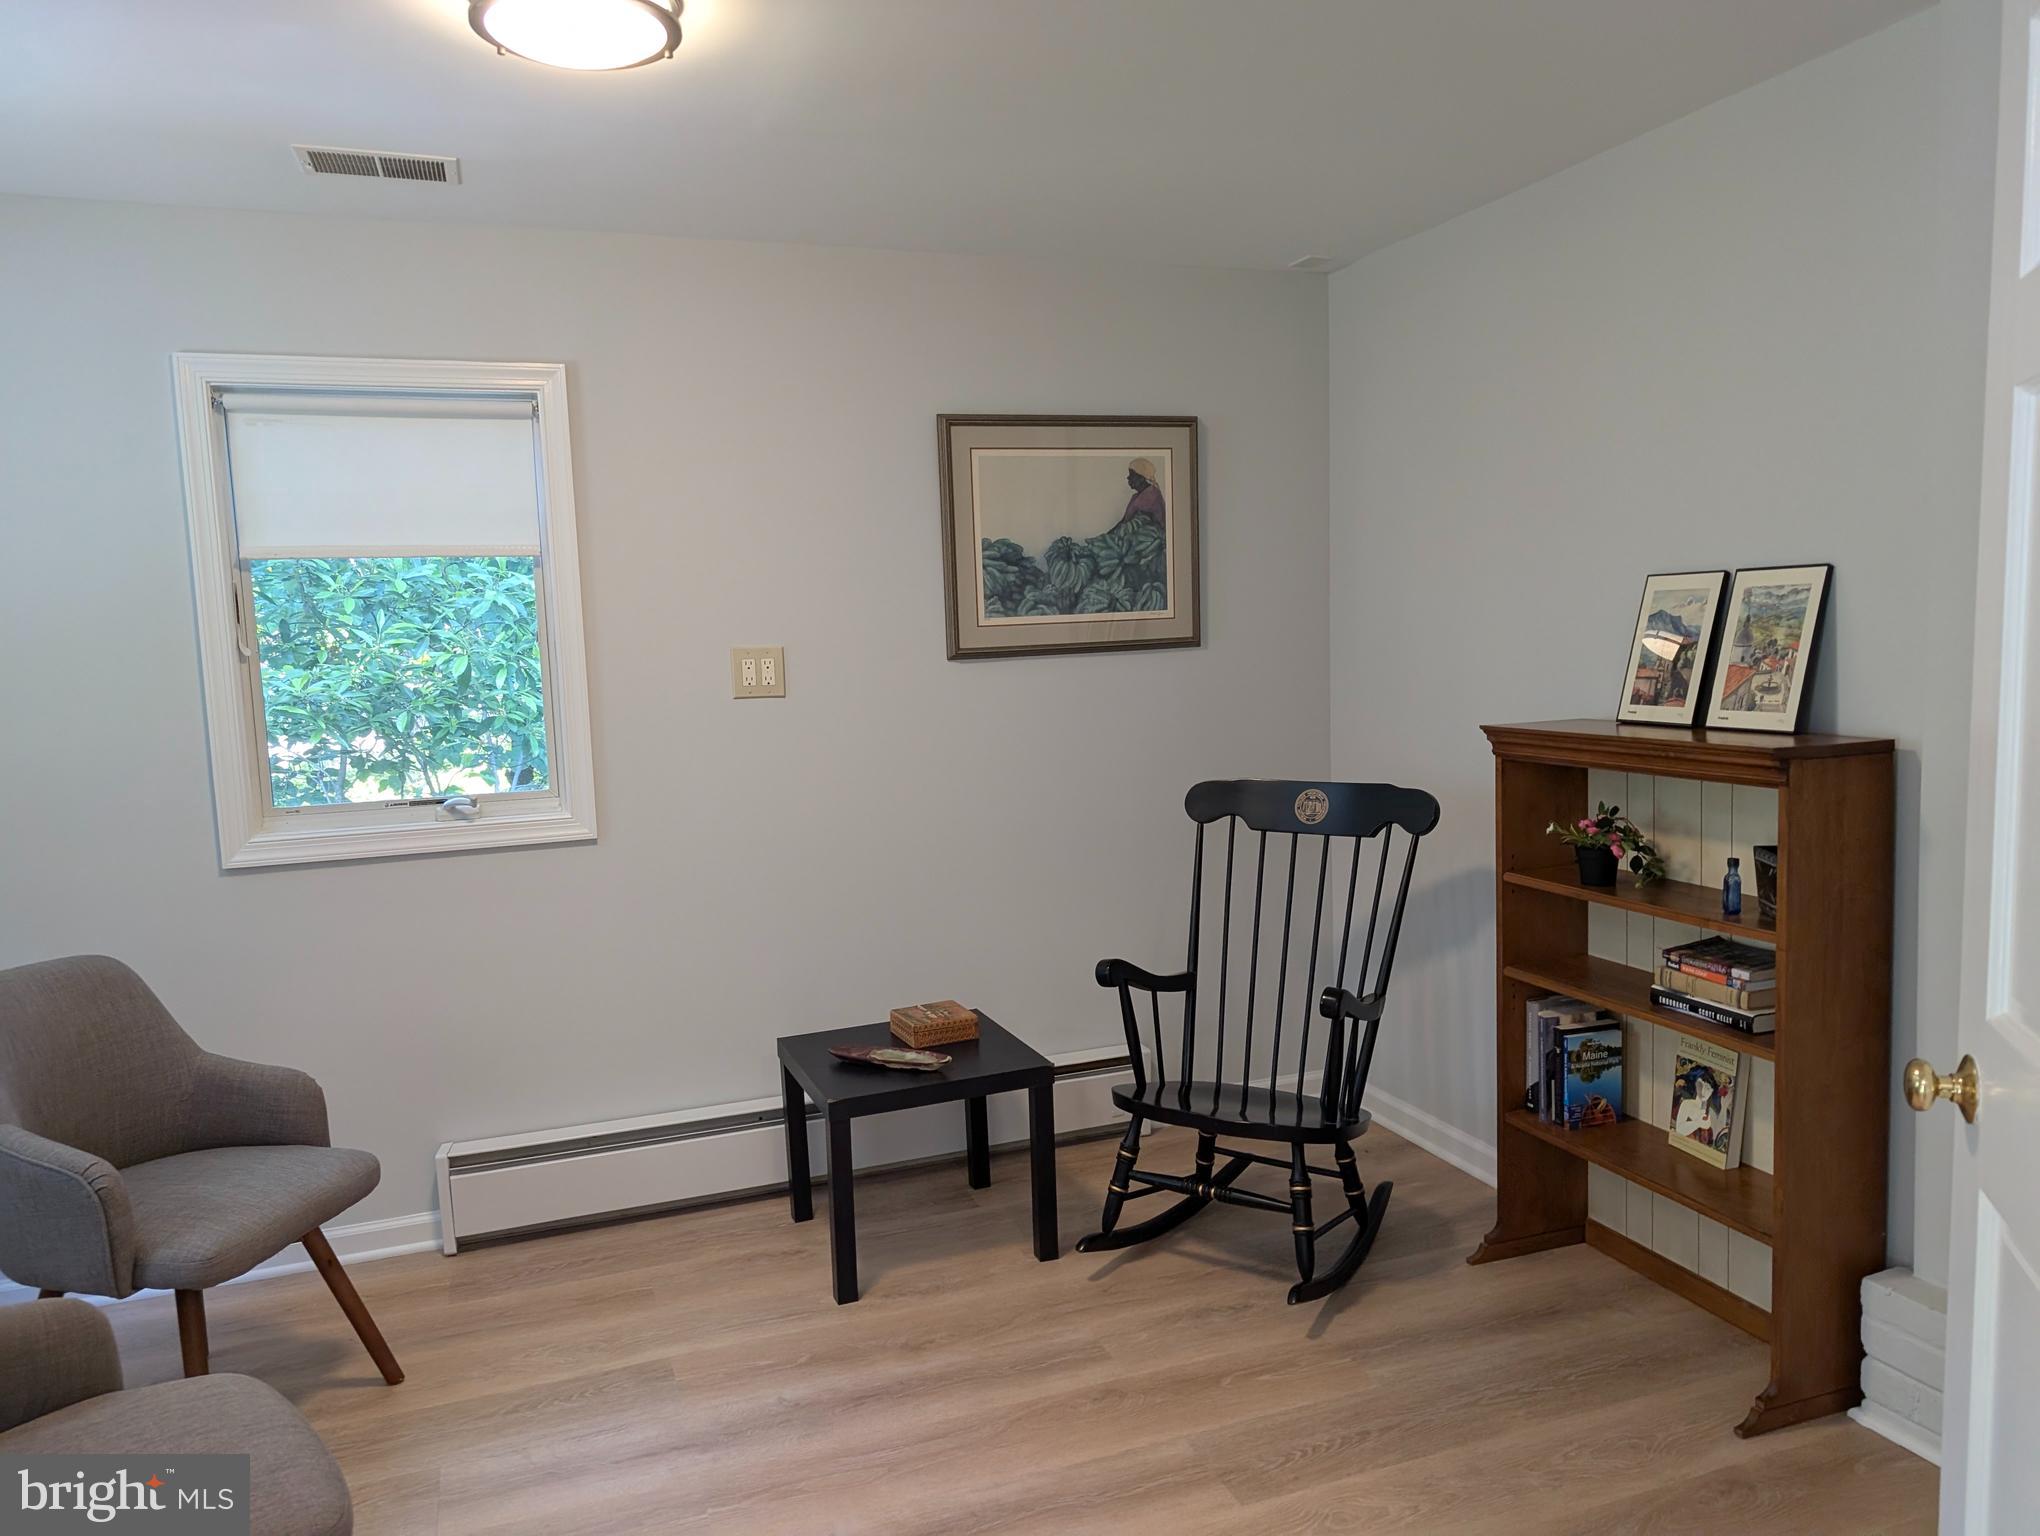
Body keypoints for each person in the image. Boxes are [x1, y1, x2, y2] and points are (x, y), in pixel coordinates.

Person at [1113, 457, 1166, 532]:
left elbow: (1135, 526)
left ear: (1142, 478)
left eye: (1131, 475)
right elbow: (1124, 521)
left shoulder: (1152, 495)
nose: (1128, 478)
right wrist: (1105, 536)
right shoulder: (1136, 497)